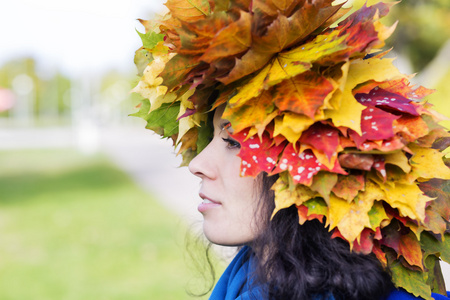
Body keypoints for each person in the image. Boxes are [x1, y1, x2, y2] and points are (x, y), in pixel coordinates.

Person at [132, 0, 450, 299]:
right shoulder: (246, 281)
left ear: (311, 167)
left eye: (233, 141)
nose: (197, 163)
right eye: (212, 137)